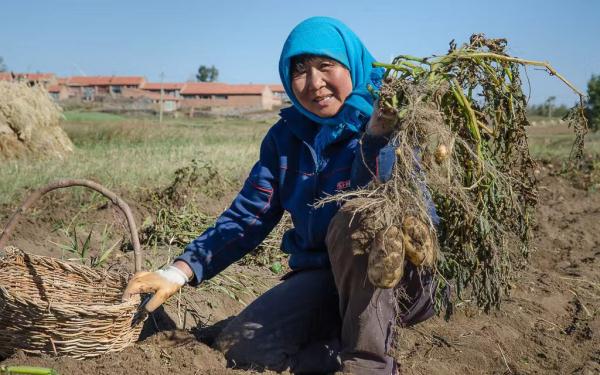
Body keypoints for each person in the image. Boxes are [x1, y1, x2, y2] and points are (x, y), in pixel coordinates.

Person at [123, 16, 437, 375]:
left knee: (359, 219)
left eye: (326, 66)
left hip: (396, 281)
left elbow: (393, 211)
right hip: (325, 279)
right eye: (300, 70)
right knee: (241, 347)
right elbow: (247, 216)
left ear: (351, 64)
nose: (314, 82)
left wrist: (377, 140)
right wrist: (177, 272)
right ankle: (337, 348)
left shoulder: (391, 121)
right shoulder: (285, 139)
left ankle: (369, 365)